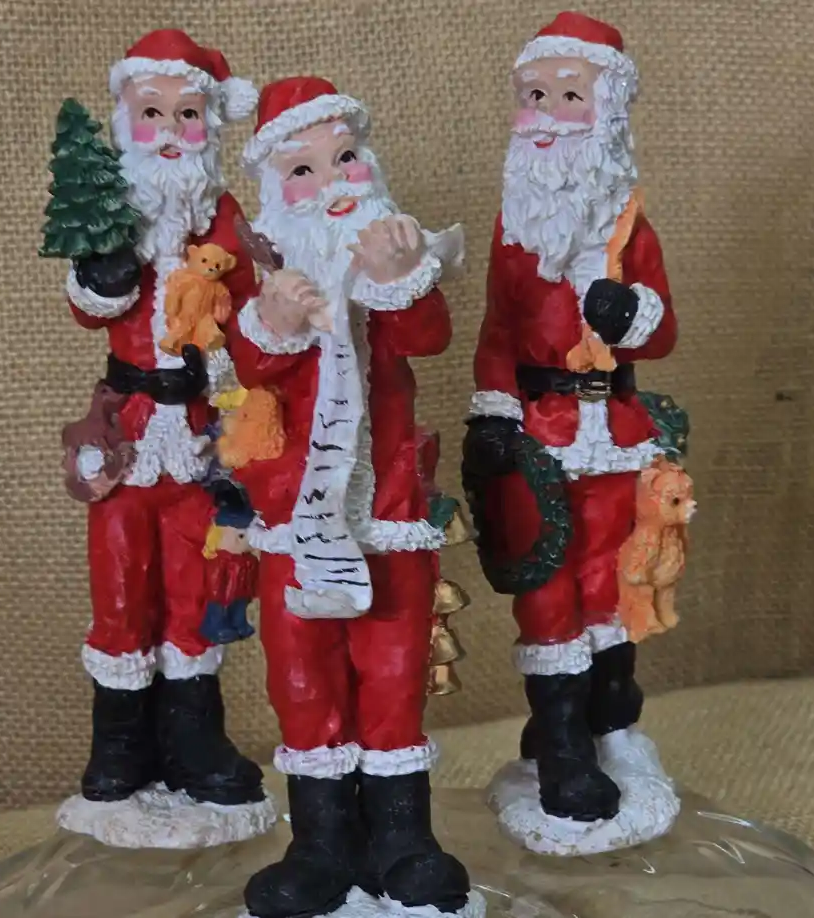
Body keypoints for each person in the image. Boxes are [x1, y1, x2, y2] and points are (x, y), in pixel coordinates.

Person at [226, 77, 474, 918]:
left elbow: (426, 336)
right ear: (277, 192)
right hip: (296, 523)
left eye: (345, 159)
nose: (331, 182)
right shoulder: (270, 283)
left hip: (388, 515)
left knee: (394, 673)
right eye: (304, 170)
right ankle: (322, 843)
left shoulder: (389, 268)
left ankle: (403, 838)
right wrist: (278, 320)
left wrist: (400, 276)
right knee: (304, 680)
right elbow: (255, 365)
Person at [466, 12, 677, 825]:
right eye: (535, 96)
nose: (549, 114)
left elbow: (663, 331)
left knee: (613, 576)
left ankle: (611, 721)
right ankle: (559, 744)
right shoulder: (514, 225)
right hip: (541, 433)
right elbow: (497, 328)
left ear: (608, 110)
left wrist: (632, 314)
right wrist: (493, 412)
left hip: (614, 435)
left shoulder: (630, 227)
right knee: (548, 584)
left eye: (569, 95)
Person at [62, 29, 265, 818]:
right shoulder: (110, 213)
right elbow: (89, 311)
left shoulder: (224, 218)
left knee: (196, 584)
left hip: (201, 434)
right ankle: (120, 742)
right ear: (127, 121)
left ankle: (194, 739)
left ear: (208, 126)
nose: (172, 132)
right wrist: (103, 275)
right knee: (120, 585)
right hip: (129, 433)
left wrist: (227, 372)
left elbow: (254, 320)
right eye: (153, 114)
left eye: (187, 115)